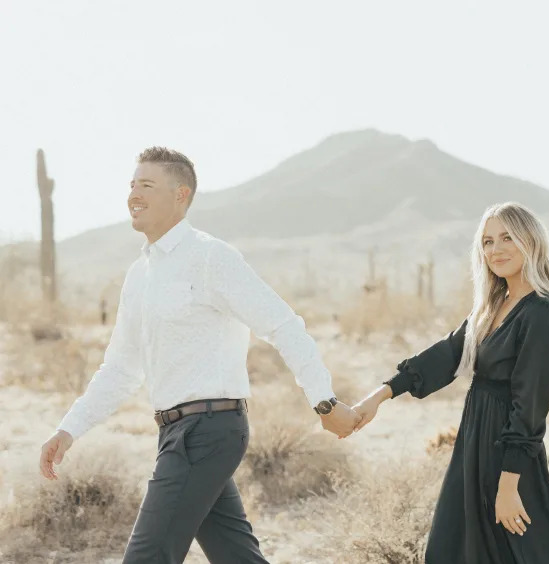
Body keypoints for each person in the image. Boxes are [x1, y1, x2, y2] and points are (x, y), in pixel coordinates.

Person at [38, 147, 361, 564]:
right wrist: (68, 430)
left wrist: (324, 401)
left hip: (209, 428)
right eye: (132, 184)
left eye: (147, 185)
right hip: (177, 433)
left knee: (147, 557)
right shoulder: (140, 275)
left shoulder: (211, 257)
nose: (134, 193)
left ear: (181, 195)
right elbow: (119, 369)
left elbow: (283, 325)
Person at [352, 201, 549, 563]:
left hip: (509, 454)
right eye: (487, 241)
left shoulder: (540, 311)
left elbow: (530, 405)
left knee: (527, 552)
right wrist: (379, 396)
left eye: (507, 237)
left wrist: (509, 485)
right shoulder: (493, 305)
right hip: (474, 443)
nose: (495, 249)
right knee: (455, 548)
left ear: (530, 241)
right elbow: (446, 354)